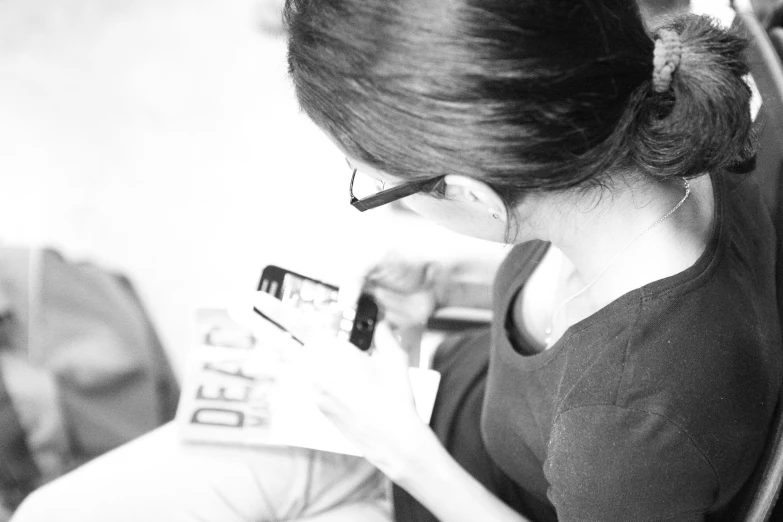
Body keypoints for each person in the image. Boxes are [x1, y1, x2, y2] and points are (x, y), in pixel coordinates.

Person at [11, 0, 782, 521]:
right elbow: (589, 309)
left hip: (437, 482)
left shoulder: (624, 427)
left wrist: (402, 452)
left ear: (475, 197)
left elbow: (604, 380)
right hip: (433, 412)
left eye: (375, 186)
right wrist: (448, 284)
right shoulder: (678, 122)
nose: (375, 193)